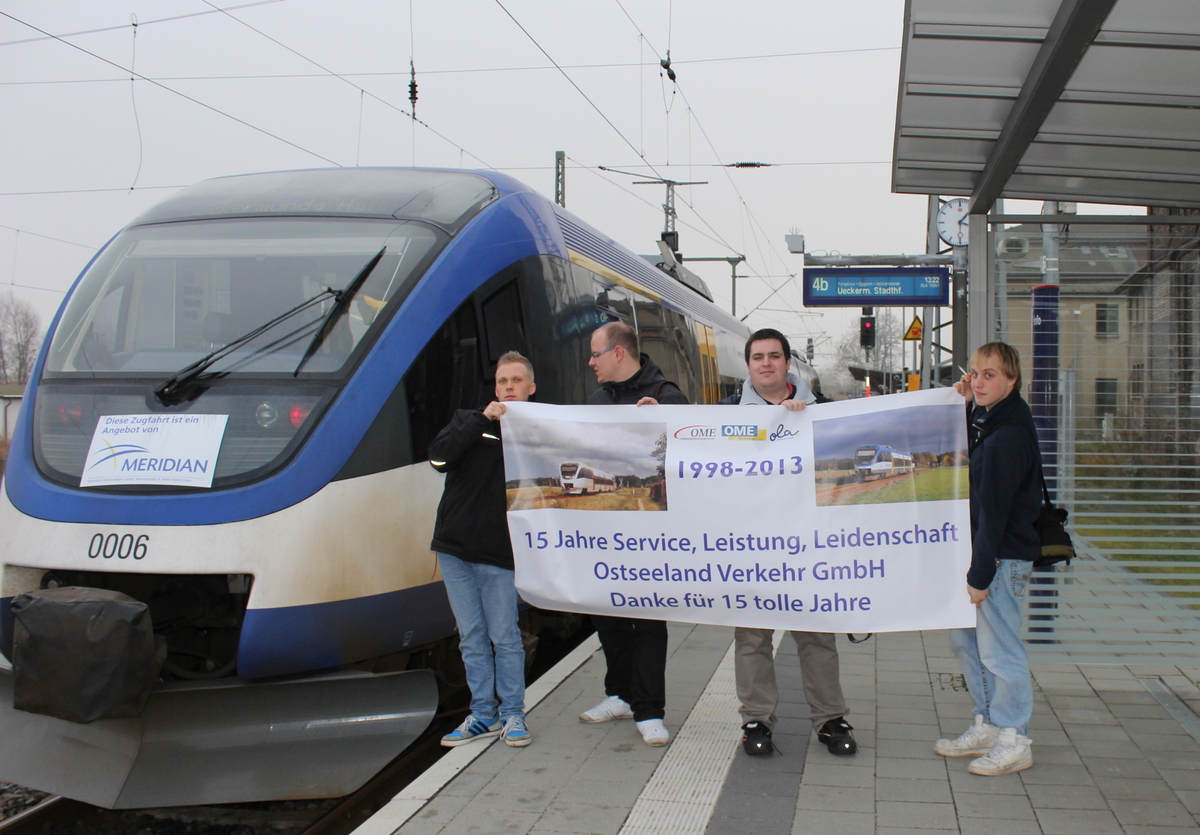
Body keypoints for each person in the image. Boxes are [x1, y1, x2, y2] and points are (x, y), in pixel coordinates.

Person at [720, 328, 857, 757]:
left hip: (806, 546)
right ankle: (756, 719)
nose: (766, 363)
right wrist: (654, 415)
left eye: (774, 356)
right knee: (753, 638)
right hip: (750, 547)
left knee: (817, 635)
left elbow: (842, 469)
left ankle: (830, 719)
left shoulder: (821, 412)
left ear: (787, 363)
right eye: (758, 357)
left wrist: (802, 423)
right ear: (748, 366)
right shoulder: (722, 415)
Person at [578, 321, 687, 747]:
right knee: (609, 617)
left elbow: (693, 458)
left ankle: (649, 710)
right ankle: (618, 695)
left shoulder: (666, 396)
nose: (591, 362)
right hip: (606, 532)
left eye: (595, 354)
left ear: (618, 353)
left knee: (647, 621)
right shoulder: (596, 400)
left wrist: (663, 426)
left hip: (650, 535)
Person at [935, 341, 1041, 775]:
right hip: (985, 557)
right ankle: (989, 722)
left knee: (1000, 651)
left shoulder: (1006, 437)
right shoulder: (991, 417)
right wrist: (963, 403)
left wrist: (980, 576)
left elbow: (993, 513)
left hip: (999, 560)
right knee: (966, 642)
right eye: (974, 372)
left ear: (1012, 380)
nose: (978, 382)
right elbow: (966, 445)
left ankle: (1014, 737)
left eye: (990, 375)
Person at [429, 351, 537, 749]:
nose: (508, 387)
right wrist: (481, 420)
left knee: (505, 636)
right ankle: (483, 715)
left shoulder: (540, 431)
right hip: (454, 549)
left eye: (515, 381)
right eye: (502, 381)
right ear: (494, 388)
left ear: (531, 388)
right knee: (471, 637)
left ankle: (513, 714)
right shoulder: (468, 421)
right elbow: (439, 459)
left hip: (500, 552)